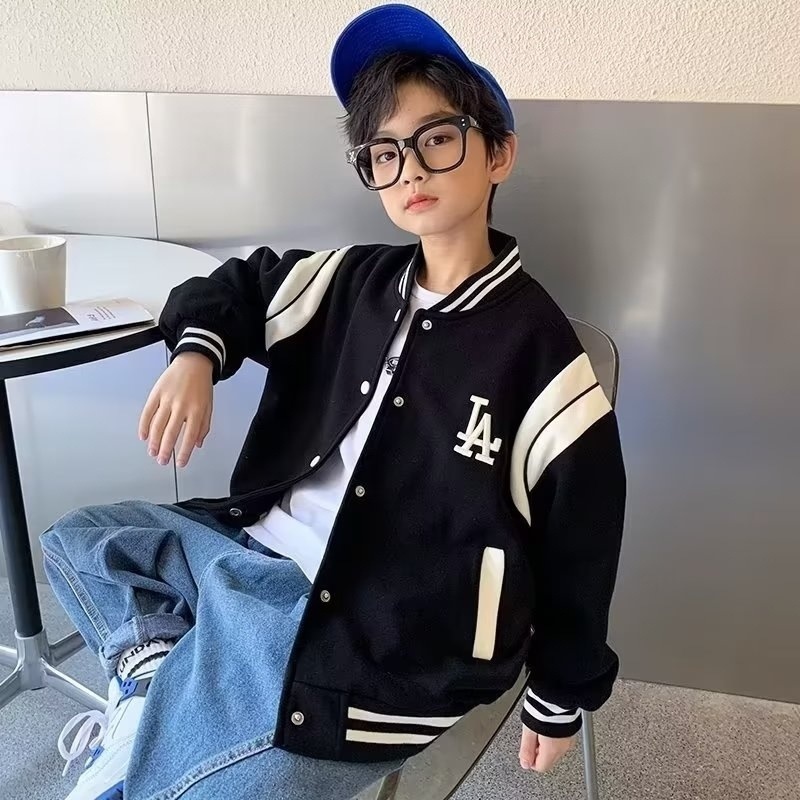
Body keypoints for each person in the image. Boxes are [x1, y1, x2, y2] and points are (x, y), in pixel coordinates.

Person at [41, 5, 626, 800]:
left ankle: (159, 704)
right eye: (384, 152)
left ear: (499, 153)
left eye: (436, 139)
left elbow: (583, 540)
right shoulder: (350, 280)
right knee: (83, 538)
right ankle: (156, 683)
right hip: (247, 557)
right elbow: (238, 285)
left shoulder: (539, 356)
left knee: (172, 784)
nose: (409, 169)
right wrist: (196, 354)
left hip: (374, 632)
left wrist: (560, 695)